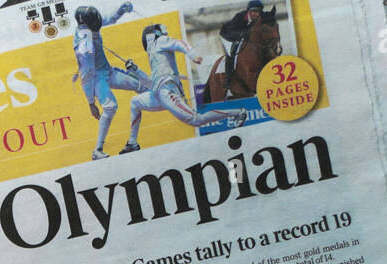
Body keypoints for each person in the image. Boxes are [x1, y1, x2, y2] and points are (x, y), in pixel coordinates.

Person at [121, 22, 249, 149]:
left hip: (168, 91)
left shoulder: (160, 41)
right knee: (135, 102)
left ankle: (238, 113)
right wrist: (135, 70)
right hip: (159, 94)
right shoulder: (156, 56)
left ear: (149, 36)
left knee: (197, 120)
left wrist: (193, 55)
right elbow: (152, 84)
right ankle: (132, 142)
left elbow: (180, 43)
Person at [73, 3, 142, 159]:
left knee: (140, 85)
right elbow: (86, 75)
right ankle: (97, 150)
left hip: (108, 71)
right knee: (110, 107)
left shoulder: (91, 21)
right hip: (96, 78)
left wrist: (123, 8)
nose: (99, 24)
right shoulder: (84, 45)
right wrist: (91, 103)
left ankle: (132, 142)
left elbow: (110, 18)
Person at [220, 0, 265, 85]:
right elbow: (231, 31)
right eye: (254, 12)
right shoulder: (240, 16)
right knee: (232, 51)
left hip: (242, 35)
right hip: (228, 35)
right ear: (249, 11)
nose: (257, 14)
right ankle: (228, 78)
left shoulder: (259, 18)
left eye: (258, 12)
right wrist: (243, 34)